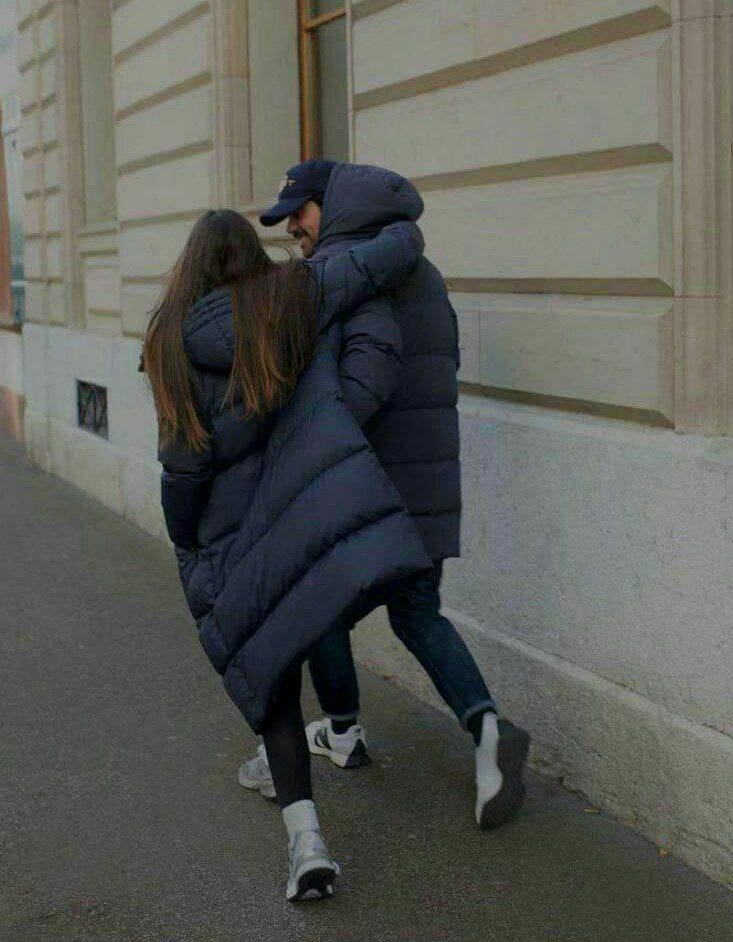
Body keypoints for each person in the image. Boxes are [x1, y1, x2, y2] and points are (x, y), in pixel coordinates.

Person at [143, 207, 432, 901]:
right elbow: (394, 251)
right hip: (301, 511)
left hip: (229, 530)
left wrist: (185, 536)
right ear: (252, 256)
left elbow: (184, 466)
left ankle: (308, 843)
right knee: (301, 627)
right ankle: (306, 763)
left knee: (270, 677)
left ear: (190, 267)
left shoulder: (170, 341)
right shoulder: (296, 295)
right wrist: (376, 217)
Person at [240, 160, 531, 832]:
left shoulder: (350, 274)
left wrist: (303, 449)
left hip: (364, 486)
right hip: (426, 479)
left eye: (299, 213)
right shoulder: (421, 271)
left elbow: (359, 385)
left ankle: (343, 731)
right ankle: (488, 731)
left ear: (333, 205)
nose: (293, 229)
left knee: (316, 609)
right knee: (417, 613)